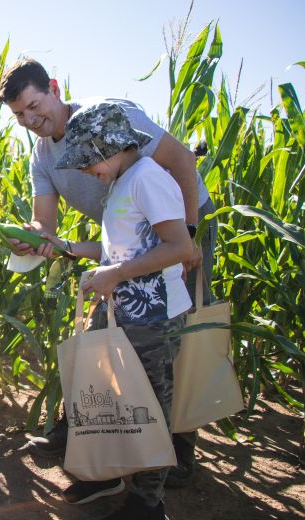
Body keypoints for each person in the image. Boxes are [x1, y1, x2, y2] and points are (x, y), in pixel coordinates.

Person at [0, 57, 216, 498]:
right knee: (112, 335)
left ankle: (178, 446)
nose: (30, 120)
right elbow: (46, 225)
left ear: (54, 88)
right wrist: (30, 238)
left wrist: (188, 237)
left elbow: (181, 163)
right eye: (20, 115)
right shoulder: (42, 155)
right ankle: (96, 436)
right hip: (123, 238)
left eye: (35, 106)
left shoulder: (107, 119)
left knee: (177, 333)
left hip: (178, 218)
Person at [51, 102, 193, 519]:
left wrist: (116, 274)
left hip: (154, 317)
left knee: (148, 407)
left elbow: (179, 248)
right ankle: (108, 474)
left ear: (111, 145)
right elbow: (121, 249)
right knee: (114, 397)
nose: (83, 172)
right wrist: (73, 249)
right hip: (124, 312)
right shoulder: (122, 182)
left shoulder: (148, 177)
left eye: (88, 161)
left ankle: (148, 502)